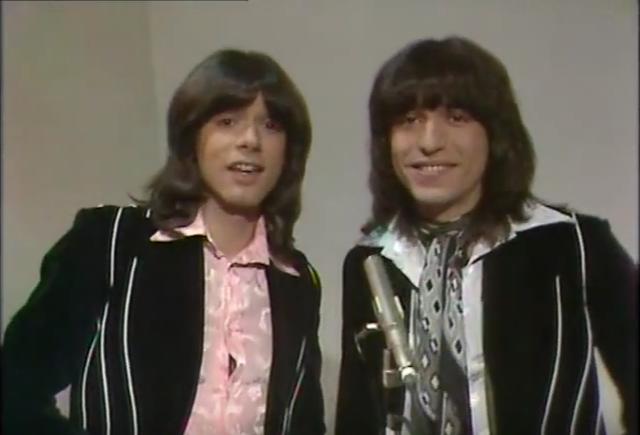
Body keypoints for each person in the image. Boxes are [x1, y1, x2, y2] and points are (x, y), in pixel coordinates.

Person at [3, 49, 325, 435]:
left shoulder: (296, 280)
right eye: (227, 121)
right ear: (192, 138)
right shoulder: (110, 242)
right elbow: (14, 390)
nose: (250, 140)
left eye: (271, 125)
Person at [335, 36, 637, 435]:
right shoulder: (370, 259)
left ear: (495, 135)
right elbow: (356, 417)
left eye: (457, 117)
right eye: (409, 120)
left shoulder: (574, 244)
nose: (429, 142)